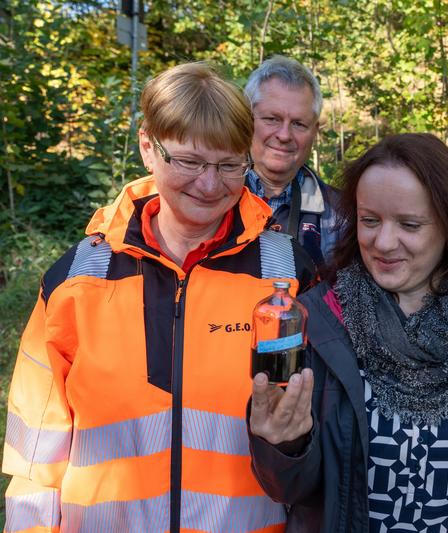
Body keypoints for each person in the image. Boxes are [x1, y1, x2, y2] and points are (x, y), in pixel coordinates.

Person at [2, 62, 315, 532]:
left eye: (229, 165)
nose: (209, 185)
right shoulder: (80, 278)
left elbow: (319, 443)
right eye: (189, 162)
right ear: (149, 147)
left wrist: (290, 444)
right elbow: (35, 457)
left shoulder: (287, 275)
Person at [247, 133, 448, 532]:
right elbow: (289, 491)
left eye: (410, 224)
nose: (383, 242)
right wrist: (285, 446)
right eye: (369, 220)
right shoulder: (317, 322)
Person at [244, 55, 340, 267]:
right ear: (246, 120)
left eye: (298, 124)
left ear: (314, 132)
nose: (284, 135)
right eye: (272, 119)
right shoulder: (210, 196)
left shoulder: (340, 217)